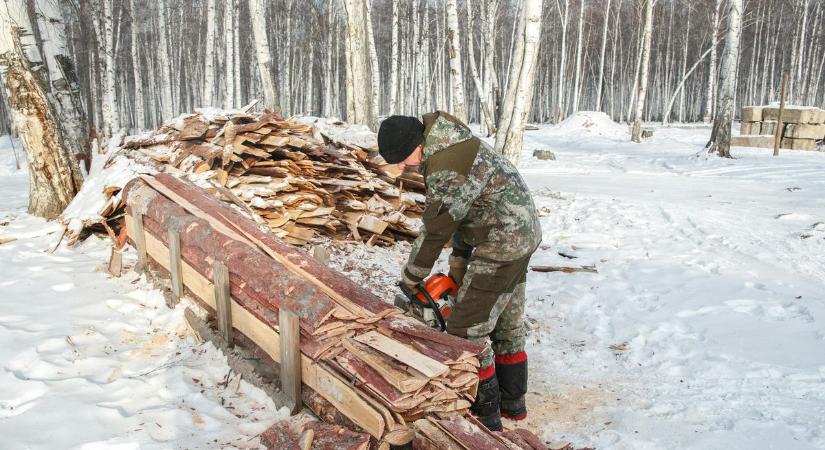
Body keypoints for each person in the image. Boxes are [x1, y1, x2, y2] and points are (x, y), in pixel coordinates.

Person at [377, 111, 541, 431]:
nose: (400, 167)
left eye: (400, 158)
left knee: (466, 331)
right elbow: (467, 209)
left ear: (416, 144)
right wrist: (459, 263)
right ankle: (513, 405)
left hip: (501, 242)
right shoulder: (450, 143)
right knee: (506, 321)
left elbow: (436, 230)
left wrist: (410, 278)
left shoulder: (446, 166)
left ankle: (485, 419)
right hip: (521, 232)